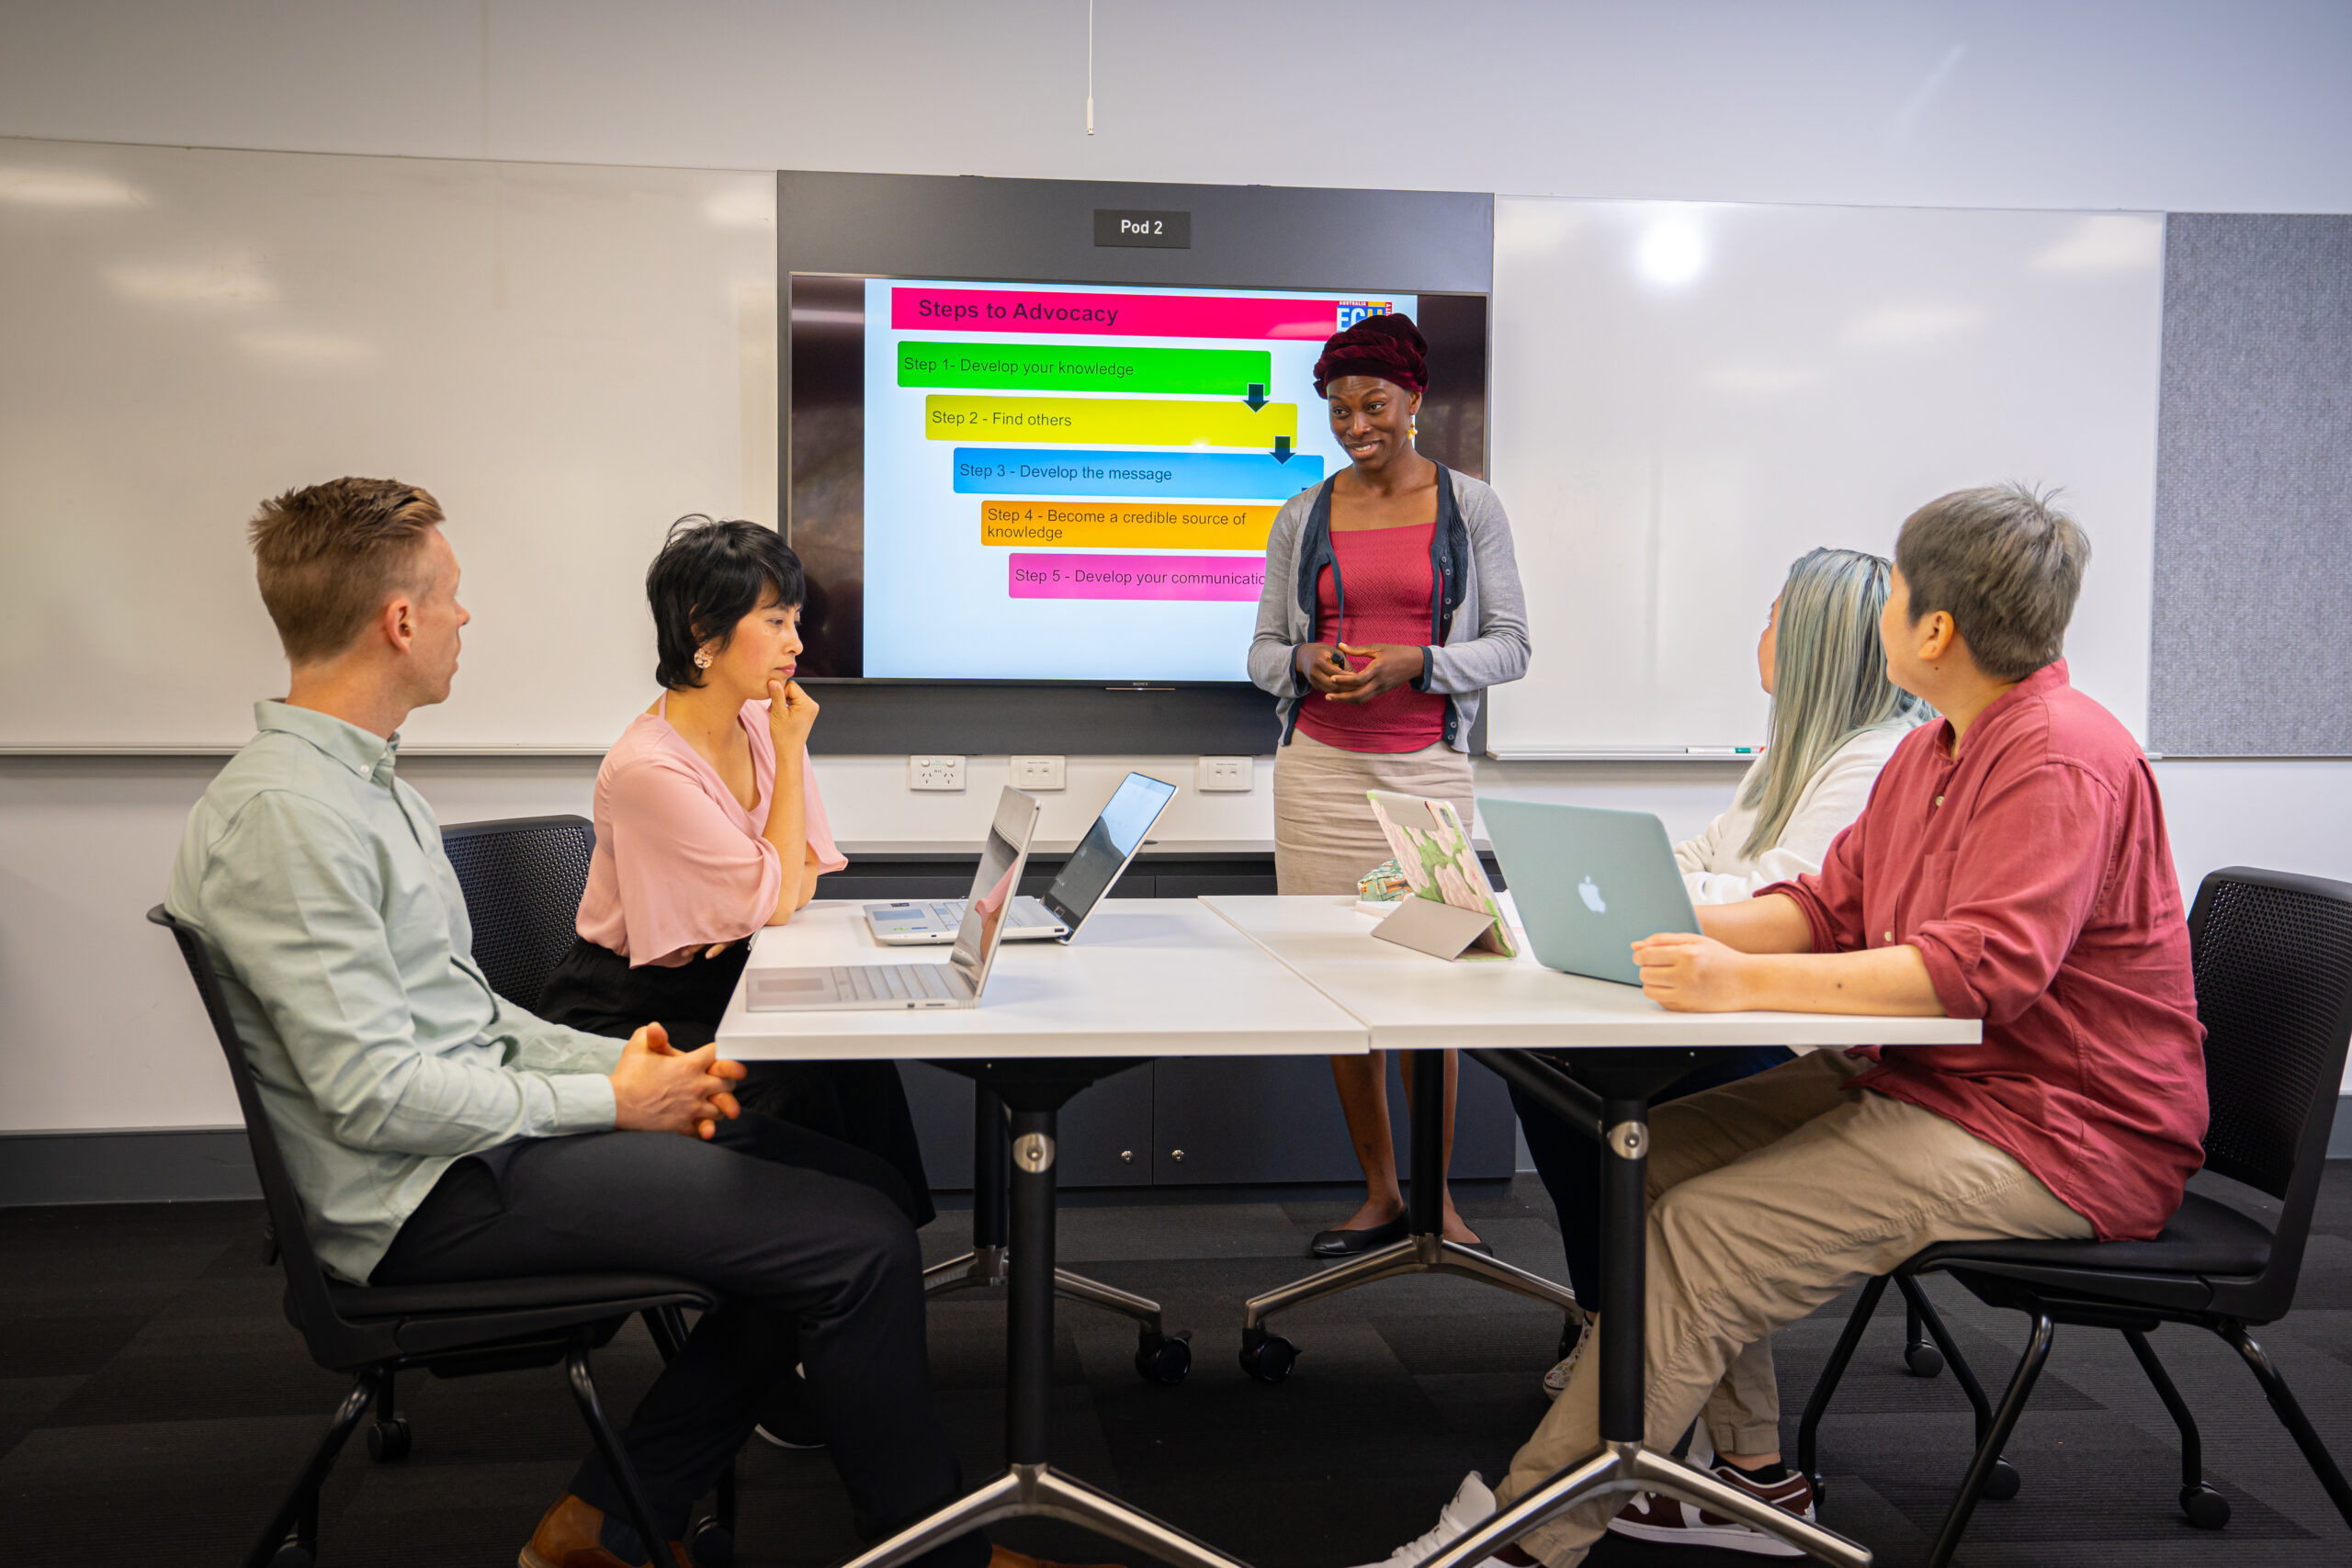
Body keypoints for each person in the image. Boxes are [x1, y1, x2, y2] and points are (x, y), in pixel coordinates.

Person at [167, 479, 1086, 1568]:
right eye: (451, 599)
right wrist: (608, 1098)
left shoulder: (365, 789)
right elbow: (373, 1097)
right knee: (856, 1247)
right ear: (398, 622)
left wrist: (624, 1067)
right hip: (427, 1197)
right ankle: (930, 1554)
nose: (467, 619)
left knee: (851, 1196)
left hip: (474, 1145)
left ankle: (601, 1522)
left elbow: (464, 1021)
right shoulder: (294, 817)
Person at [1358, 483, 2205, 1564]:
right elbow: (1823, 907)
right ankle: (1750, 1475)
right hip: (1941, 1083)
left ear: (1933, 629)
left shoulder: (2055, 756)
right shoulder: (1931, 749)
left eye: (1893, 592)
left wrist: (1734, 987)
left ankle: (1529, 1537)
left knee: (1709, 1231)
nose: (1880, 610)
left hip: (2063, 1132)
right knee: (1646, 1158)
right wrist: (1661, 940)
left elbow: (1978, 974)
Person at [1512, 547, 1927, 1425]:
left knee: (1585, 1095)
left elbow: (1788, 900)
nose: (1761, 631)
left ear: (1815, 639)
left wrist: (1655, 898)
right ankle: (1611, 1317)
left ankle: (1628, 1337)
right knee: (1551, 1075)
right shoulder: (1796, 749)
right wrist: (1633, 878)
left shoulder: (1875, 761)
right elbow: (1708, 861)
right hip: (1751, 1002)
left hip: (1810, 1034)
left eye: (1775, 614)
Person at [539, 516, 932, 1219]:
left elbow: (801, 875)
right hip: (630, 1011)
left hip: (719, 975)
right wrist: (770, 885)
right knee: (795, 1085)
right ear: (705, 631)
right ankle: (832, 1260)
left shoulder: (762, 719)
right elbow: (783, 894)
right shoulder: (649, 769)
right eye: (776, 620)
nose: (797, 642)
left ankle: (882, 1245)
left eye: (797, 619)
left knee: (856, 1057)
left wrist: (765, 886)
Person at [1249, 312, 1531, 1257]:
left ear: (1414, 400)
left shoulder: (1470, 507)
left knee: (1434, 988)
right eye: (1337, 409)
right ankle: (1378, 1193)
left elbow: (1511, 648)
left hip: (1425, 775)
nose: (1355, 424)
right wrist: (1307, 658)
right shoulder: (1305, 512)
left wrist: (1418, 662)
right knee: (1342, 988)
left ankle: (1438, 1200)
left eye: (1372, 405)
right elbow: (1258, 653)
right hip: (1320, 773)